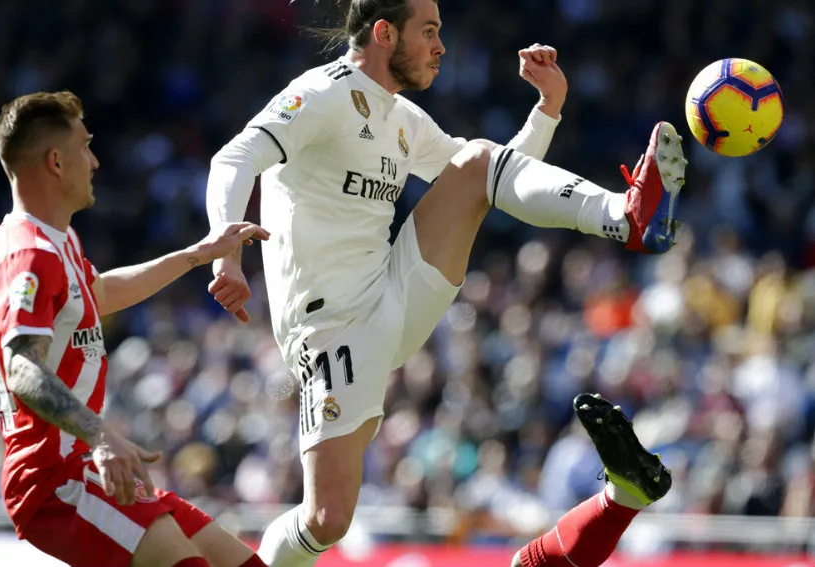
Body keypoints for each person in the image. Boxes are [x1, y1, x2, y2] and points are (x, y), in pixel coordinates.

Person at [204, 1, 683, 566]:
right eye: (428, 32)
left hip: (393, 292)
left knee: (476, 163)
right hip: (331, 327)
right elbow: (233, 158)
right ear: (384, 33)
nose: (441, 47)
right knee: (327, 519)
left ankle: (627, 217)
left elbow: (497, 179)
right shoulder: (322, 93)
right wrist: (224, 250)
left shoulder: (401, 117)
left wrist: (547, 110)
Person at [0, 91, 271, 567]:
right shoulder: (26, 253)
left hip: (84, 465)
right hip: (55, 476)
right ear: (55, 161)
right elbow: (21, 366)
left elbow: (101, 293)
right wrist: (101, 435)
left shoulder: (58, 241)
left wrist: (199, 253)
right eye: (85, 147)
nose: (94, 161)